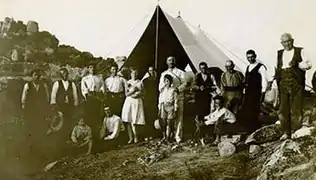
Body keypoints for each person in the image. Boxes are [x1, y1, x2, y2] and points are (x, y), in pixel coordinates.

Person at [274, 33, 312, 140]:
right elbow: (276, 68)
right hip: (283, 84)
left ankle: (295, 131)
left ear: (292, 40)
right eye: (284, 42)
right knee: (282, 109)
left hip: (297, 84)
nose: (287, 44)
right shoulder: (279, 54)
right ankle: (286, 132)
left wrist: (298, 64)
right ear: (281, 43)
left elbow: (309, 65)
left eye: (288, 41)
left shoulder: (301, 51)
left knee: (296, 108)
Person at [21, 69, 50, 153]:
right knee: (30, 127)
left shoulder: (43, 85)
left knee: (40, 127)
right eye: (35, 75)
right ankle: (30, 146)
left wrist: (45, 108)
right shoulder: (27, 85)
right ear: (32, 76)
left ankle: (39, 146)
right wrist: (25, 109)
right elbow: (23, 99)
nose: (37, 77)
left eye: (38, 75)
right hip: (30, 110)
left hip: (40, 111)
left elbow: (47, 98)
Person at [159, 56, 187, 143]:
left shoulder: (180, 72)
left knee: (179, 118)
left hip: (178, 97)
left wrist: (177, 89)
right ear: (167, 62)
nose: (171, 62)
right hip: (166, 98)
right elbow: (160, 87)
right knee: (167, 120)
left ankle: (178, 136)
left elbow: (185, 83)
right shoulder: (163, 73)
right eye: (169, 60)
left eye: (172, 60)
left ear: (175, 62)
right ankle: (168, 136)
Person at [240, 50, 268, 133]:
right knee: (247, 110)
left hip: (256, 92)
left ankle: (255, 129)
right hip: (248, 92)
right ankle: (248, 129)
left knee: (254, 110)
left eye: (252, 57)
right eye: (248, 57)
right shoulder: (248, 67)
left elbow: (264, 80)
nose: (250, 59)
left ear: (255, 56)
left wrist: (263, 92)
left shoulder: (261, 67)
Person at [51, 68, 79, 140]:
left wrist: (76, 103)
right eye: (63, 74)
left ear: (68, 74)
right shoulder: (57, 83)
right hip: (60, 106)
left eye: (66, 73)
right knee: (61, 122)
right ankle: (60, 138)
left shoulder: (72, 84)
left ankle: (68, 137)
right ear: (60, 75)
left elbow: (75, 94)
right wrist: (54, 104)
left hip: (69, 106)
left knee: (69, 121)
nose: (65, 75)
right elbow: (53, 95)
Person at [81, 64, 104, 144]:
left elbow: (102, 87)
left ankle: (98, 137)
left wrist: (99, 92)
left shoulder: (99, 77)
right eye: (90, 67)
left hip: (98, 99)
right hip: (90, 100)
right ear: (88, 69)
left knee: (98, 117)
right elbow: (84, 90)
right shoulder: (85, 78)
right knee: (90, 118)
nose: (92, 69)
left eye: (93, 67)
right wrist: (89, 95)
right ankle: (90, 139)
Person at [121, 68, 145, 144]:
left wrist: (139, 94)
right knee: (128, 120)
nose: (134, 75)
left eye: (135, 73)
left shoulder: (140, 82)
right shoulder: (127, 83)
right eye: (132, 73)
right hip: (129, 102)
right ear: (130, 74)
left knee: (135, 120)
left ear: (137, 74)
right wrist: (133, 91)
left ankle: (136, 137)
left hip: (137, 102)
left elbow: (144, 93)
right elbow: (126, 94)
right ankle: (131, 138)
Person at [158, 74, 178, 142]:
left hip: (170, 107)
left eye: (168, 81)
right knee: (163, 122)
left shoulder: (173, 90)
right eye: (165, 81)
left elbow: (176, 100)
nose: (166, 82)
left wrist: (175, 109)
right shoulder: (162, 90)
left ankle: (168, 137)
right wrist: (159, 108)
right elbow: (160, 99)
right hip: (163, 106)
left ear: (171, 82)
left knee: (169, 122)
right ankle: (164, 136)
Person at [142, 66, 159, 139]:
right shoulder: (145, 81)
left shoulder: (157, 80)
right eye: (150, 71)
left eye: (152, 70)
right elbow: (144, 91)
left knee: (154, 117)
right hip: (148, 101)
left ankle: (154, 134)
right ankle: (147, 134)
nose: (151, 72)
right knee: (148, 118)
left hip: (155, 101)